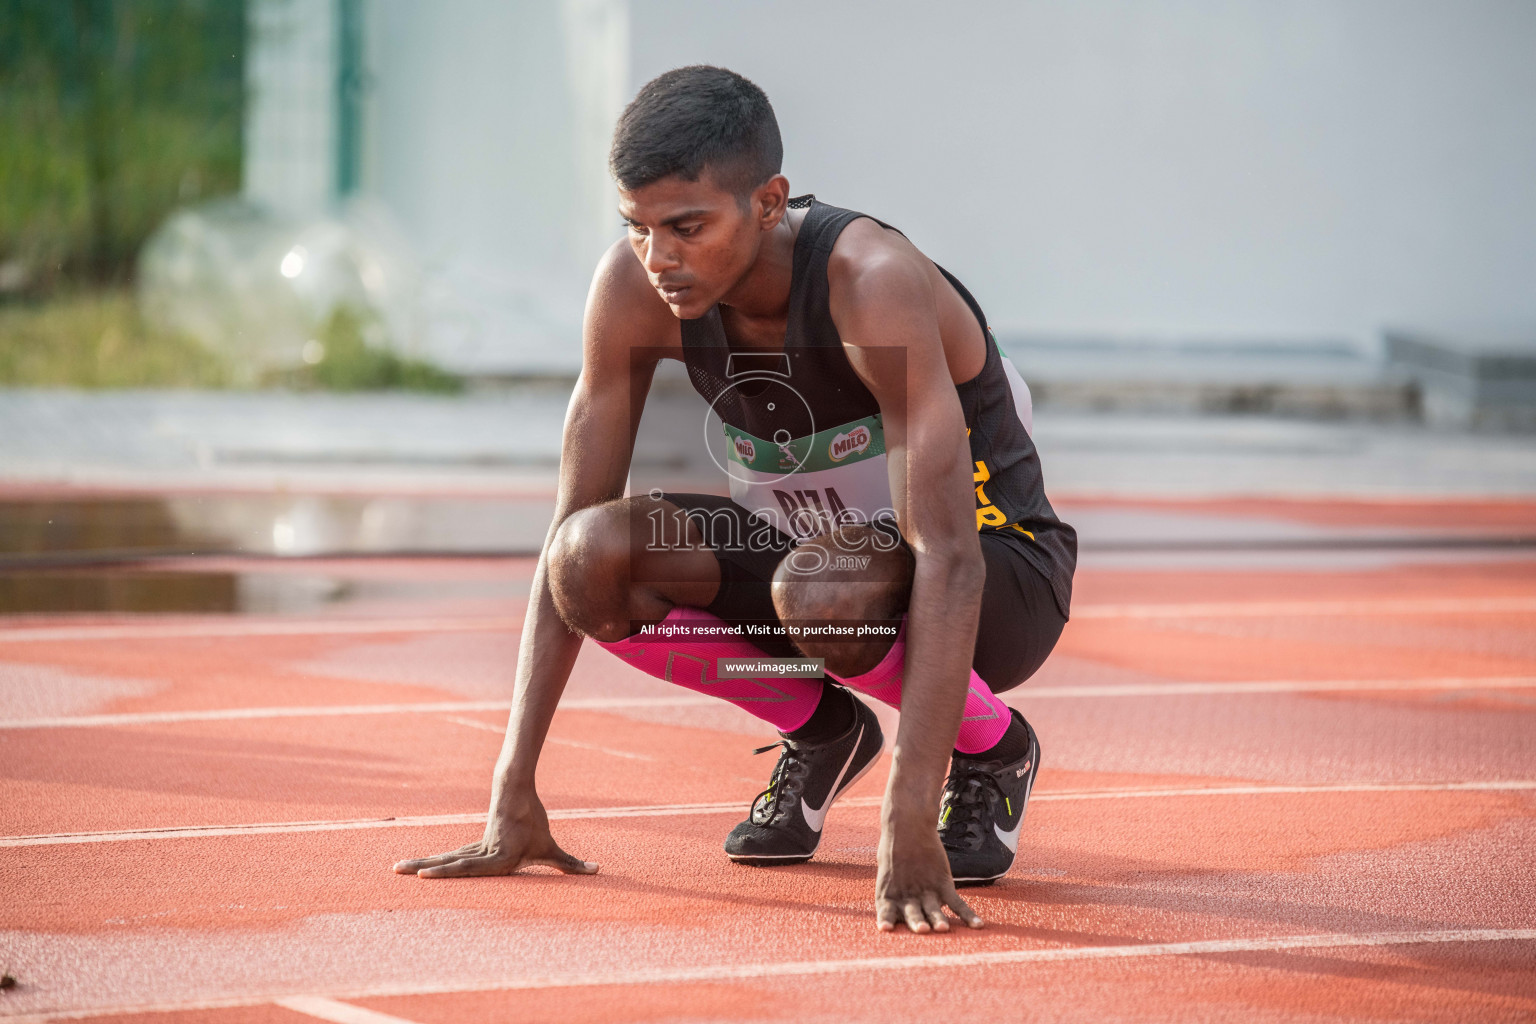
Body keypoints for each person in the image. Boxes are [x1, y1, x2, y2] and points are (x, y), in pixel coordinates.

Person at [395, 65, 1076, 934]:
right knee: (591, 561)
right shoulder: (635, 290)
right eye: (636, 227)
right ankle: (824, 728)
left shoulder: (871, 284)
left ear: (768, 201)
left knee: (822, 587)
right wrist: (512, 787)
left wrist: (907, 820)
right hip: (818, 571)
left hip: (997, 574)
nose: (658, 257)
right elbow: (567, 522)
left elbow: (947, 554)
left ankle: (992, 748)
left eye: (687, 227)